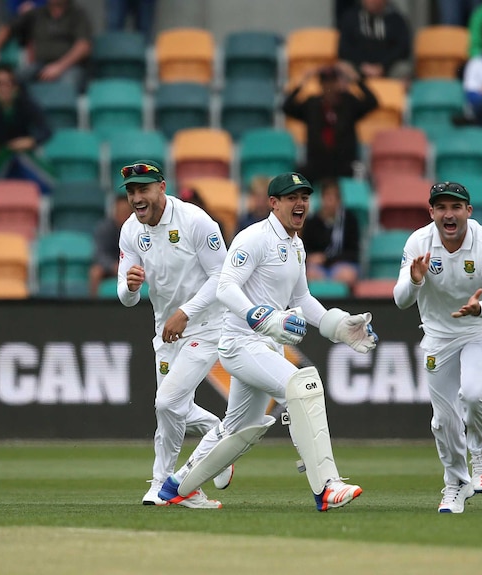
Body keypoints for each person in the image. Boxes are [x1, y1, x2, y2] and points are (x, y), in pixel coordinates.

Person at [158, 172, 378, 512]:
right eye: (292, 198)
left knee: (237, 430)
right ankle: (326, 486)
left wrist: (338, 327)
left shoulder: (296, 245)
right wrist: (261, 317)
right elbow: (226, 287)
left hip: (265, 346)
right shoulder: (253, 238)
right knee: (304, 385)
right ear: (273, 203)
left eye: (304, 197)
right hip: (240, 343)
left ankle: (176, 487)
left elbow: (302, 298)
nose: (300, 203)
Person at [116, 160, 232, 509]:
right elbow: (126, 297)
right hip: (165, 331)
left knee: (166, 403)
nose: (137, 197)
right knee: (170, 407)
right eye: (132, 191)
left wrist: (186, 313)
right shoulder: (130, 231)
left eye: (144, 190)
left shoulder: (196, 222)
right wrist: (130, 287)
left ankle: (169, 485)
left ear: (162, 188)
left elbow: (221, 279)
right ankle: (219, 431)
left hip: (207, 326)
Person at [393, 181, 482, 513]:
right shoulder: (419, 241)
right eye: (441, 207)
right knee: (443, 420)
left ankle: (481, 447)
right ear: (431, 212)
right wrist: (415, 280)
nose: (449, 214)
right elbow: (401, 299)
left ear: (468, 212)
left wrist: (481, 308)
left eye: (456, 207)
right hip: (439, 336)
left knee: (472, 393)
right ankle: (456, 484)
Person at [282, 61, 378, 184]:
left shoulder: (349, 102)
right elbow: (287, 107)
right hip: (317, 164)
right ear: (320, 85)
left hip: (345, 163)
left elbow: (372, 102)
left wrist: (356, 79)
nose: (329, 86)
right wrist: (303, 82)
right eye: (325, 82)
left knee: (363, 175)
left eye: (332, 82)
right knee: (295, 179)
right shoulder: (312, 104)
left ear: (338, 83)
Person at [0, 63, 54, 194]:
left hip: (21, 155)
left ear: (15, 86)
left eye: (7, 83)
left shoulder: (25, 103)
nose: (3, 88)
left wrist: (31, 141)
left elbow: (46, 130)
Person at [0, 0, 92, 91]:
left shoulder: (78, 14)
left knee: (67, 84)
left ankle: (61, 118)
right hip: (40, 65)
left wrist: (59, 67)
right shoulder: (37, 14)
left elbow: (83, 47)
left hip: (70, 67)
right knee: (13, 79)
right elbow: (7, 28)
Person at [302, 178, 361, 286]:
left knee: (345, 275)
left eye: (332, 198)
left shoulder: (349, 220)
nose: (328, 202)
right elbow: (305, 249)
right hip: (318, 267)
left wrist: (327, 259)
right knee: (311, 274)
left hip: (342, 264)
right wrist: (310, 257)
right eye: (326, 197)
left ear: (339, 200)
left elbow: (353, 253)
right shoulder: (311, 222)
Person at [337, 0, 412, 79]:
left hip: (388, 69)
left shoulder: (397, 20)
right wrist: (362, 66)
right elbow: (344, 48)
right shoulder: (350, 18)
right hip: (358, 68)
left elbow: (402, 48)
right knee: (341, 68)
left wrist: (382, 66)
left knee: (404, 70)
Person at [90, 191, 133, 296]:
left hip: (134, 267)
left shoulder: (139, 229)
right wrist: (113, 266)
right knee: (95, 272)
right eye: (119, 212)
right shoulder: (104, 229)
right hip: (112, 268)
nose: (122, 215)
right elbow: (99, 254)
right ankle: (93, 307)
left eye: (125, 212)